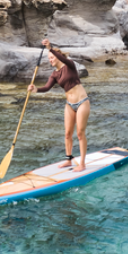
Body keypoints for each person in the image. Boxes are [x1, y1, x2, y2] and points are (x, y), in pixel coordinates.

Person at [29, 39, 91, 172]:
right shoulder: (55, 74)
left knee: (80, 133)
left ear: (57, 57)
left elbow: (63, 58)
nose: (50, 60)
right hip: (69, 104)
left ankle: (82, 163)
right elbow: (46, 87)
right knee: (68, 133)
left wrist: (50, 48)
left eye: (52, 58)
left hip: (82, 102)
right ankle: (69, 159)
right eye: (49, 58)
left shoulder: (70, 66)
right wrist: (35, 90)